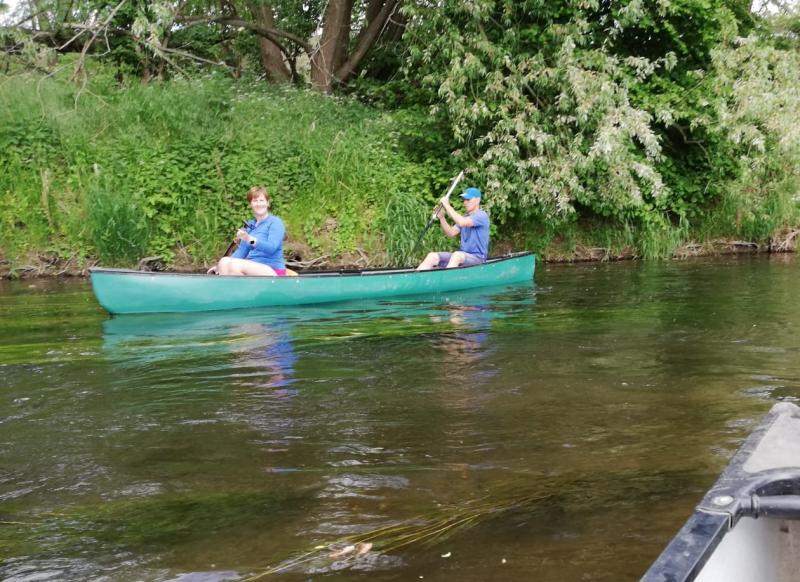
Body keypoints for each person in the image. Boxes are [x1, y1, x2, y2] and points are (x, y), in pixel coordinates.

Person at [208, 186, 287, 276]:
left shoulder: (275, 222)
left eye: (261, 200)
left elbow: (271, 248)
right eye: (255, 201)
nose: (258, 204)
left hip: (273, 269)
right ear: (250, 204)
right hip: (252, 268)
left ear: (267, 203)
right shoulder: (250, 225)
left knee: (234, 265)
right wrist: (219, 266)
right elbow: (242, 251)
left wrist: (250, 239)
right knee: (224, 261)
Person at [417, 187, 490, 270]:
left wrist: (447, 205)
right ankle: (415, 277)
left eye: (468, 199)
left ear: (477, 200)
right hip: (462, 256)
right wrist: (442, 217)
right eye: (464, 200)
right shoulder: (465, 217)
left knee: (457, 255)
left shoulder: (481, 216)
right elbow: (451, 233)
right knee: (432, 256)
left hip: (478, 258)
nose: (465, 202)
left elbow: (462, 222)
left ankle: (445, 277)